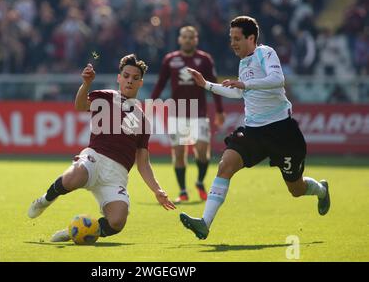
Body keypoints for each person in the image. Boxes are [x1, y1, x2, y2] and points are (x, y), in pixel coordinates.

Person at [179, 16, 331, 240]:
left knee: (296, 189)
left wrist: (245, 84)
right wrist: (207, 85)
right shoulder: (244, 62)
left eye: (237, 38)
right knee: (225, 165)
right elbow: (240, 92)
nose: (233, 43)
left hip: (282, 132)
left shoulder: (265, 53)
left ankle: (321, 189)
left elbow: (277, 79)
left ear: (251, 38)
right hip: (253, 131)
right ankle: (204, 223)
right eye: (231, 38)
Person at [28, 54, 176, 242]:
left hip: (116, 176)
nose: (130, 80)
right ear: (119, 78)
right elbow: (80, 106)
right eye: (126, 75)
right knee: (75, 177)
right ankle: (44, 201)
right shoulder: (105, 97)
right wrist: (86, 84)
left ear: (140, 83)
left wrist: (157, 190)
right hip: (95, 159)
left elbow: (143, 163)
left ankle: (74, 232)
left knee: (117, 222)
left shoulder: (144, 121)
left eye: (135, 78)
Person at [151, 26, 225, 204]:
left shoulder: (204, 59)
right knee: (178, 153)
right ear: (179, 40)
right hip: (177, 114)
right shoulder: (170, 59)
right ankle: (183, 191)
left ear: (196, 40)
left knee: (201, 150)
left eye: (191, 37)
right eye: (185, 37)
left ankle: (199, 182)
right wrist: (150, 105)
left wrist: (220, 110)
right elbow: (161, 84)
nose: (188, 40)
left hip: (199, 113)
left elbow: (214, 86)